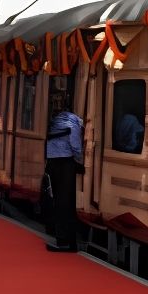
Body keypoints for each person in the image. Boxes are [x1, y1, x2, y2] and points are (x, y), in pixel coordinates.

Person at [44, 107, 84, 252]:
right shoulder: (74, 123)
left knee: (58, 201)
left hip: (52, 162)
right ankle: (68, 242)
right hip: (66, 164)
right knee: (67, 202)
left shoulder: (55, 122)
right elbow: (76, 146)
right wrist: (79, 160)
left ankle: (61, 239)